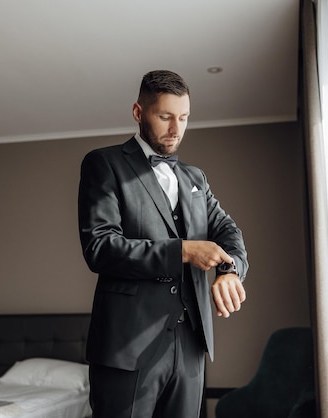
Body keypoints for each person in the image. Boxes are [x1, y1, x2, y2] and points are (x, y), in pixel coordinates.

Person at [78, 70, 249, 418]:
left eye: (184, 118)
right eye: (165, 116)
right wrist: (184, 250)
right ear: (139, 112)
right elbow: (100, 246)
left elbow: (228, 231)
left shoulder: (195, 178)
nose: (176, 129)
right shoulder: (104, 163)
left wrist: (230, 270)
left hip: (190, 347)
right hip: (127, 346)